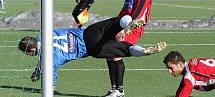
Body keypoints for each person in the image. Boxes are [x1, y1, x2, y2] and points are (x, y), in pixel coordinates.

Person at [18, 16, 166, 88]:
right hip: (88, 33)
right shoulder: (44, 33)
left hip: (92, 49)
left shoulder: (49, 59)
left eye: (29, 53)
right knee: (115, 22)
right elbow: (43, 58)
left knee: (124, 50)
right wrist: (38, 70)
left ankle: (143, 51)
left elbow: (51, 76)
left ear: (32, 49)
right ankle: (128, 23)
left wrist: (42, 77)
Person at [105, 0, 154, 96]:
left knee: (116, 52)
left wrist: (127, 29)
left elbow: (140, 11)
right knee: (108, 53)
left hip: (134, 27)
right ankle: (114, 88)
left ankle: (119, 90)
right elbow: (126, 9)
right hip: (123, 24)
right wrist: (116, 23)